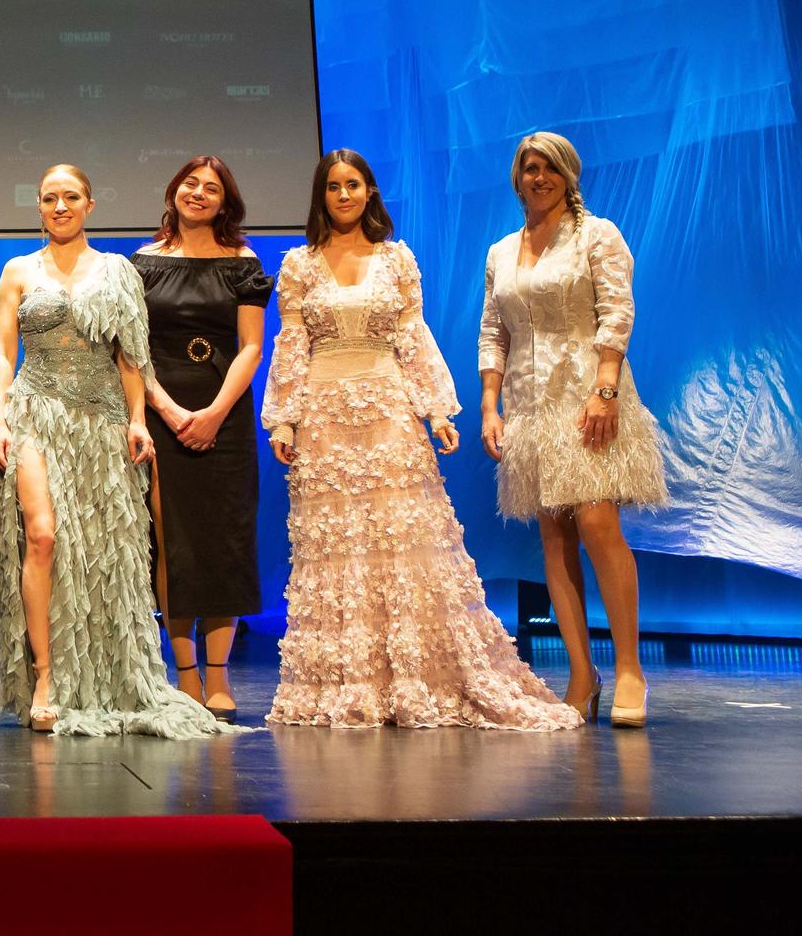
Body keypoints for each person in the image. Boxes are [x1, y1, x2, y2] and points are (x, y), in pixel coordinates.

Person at [261, 149, 580, 731]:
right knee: (337, 547)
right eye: (332, 187)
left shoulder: (397, 259)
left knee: (401, 540)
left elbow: (413, 336)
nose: (343, 195)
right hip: (325, 420)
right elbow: (291, 344)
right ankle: (350, 681)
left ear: (370, 191)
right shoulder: (298, 264)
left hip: (389, 413)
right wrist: (284, 419)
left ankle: (417, 675)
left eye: (353, 184)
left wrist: (437, 412)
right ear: (321, 196)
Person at [0, 163, 226, 739]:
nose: (60, 206)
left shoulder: (118, 271)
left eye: (71, 197)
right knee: (41, 535)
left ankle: (109, 676)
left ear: (90, 204)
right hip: (35, 413)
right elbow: (3, 349)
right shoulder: (18, 270)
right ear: (39, 207)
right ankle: (45, 677)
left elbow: (131, 355)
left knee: (104, 551)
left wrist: (139, 420)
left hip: (101, 423)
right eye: (49, 198)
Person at [479, 132, 667, 728]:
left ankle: (632, 668)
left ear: (569, 175)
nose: (540, 178)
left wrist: (606, 388)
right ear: (517, 178)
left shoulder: (597, 234)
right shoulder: (501, 251)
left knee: (595, 519)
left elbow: (617, 310)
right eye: (530, 168)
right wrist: (490, 405)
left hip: (587, 395)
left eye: (550, 168)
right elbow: (493, 332)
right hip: (530, 406)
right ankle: (583, 675)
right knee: (554, 536)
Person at [133, 156, 270, 722]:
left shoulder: (243, 262)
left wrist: (213, 412)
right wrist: (163, 407)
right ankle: (183, 674)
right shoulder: (142, 263)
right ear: (174, 191)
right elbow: (129, 348)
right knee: (173, 544)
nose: (199, 193)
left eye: (211, 188)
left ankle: (219, 677)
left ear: (224, 201)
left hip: (226, 418)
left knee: (224, 542)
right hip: (159, 418)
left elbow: (251, 348)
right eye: (191, 183)